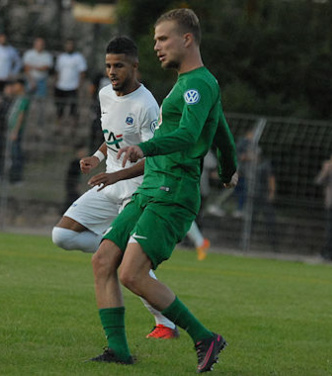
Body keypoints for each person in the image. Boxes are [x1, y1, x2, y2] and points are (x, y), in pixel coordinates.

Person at [89, 10, 237, 373]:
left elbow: (188, 135)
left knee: (131, 273)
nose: (156, 47)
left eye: (163, 39)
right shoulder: (190, 83)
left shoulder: (196, 85)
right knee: (103, 260)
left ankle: (204, 336)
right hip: (152, 187)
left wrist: (146, 147)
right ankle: (119, 351)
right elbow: (221, 132)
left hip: (173, 190)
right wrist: (229, 168)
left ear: (187, 39)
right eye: (155, 40)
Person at [53, 36, 181, 340]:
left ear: (134, 66)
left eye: (119, 66)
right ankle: (120, 250)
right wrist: (97, 158)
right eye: (109, 65)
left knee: (129, 270)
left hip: (136, 191)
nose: (112, 71)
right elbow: (112, 135)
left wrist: (116, 176)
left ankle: (167, 323)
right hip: (109, 183)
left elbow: (156, 156)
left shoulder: (148, 106)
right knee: (62, 234)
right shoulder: (104, 95)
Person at [54, 39, 87, 135]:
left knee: (73, 110)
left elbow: (82, 72)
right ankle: (58, 128)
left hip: (73, 87)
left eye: (71, 45)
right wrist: (55, 83)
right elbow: (57, 71)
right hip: (61, 86)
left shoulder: (78, 57)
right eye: (67, 45)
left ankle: (73, 130)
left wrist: (79, 86)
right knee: (59, 109)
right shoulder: (61, 57)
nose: (69, 47)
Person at [23, 37, 53, 133]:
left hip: (42, 81)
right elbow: (27, 68)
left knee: (41, 104)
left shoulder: (47, 56)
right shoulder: (29, 54)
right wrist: (31, 81)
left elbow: (46, 67)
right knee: (26, 102)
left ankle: (39, 125)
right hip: (30, 79)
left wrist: (34, 67)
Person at [5, 78, 30, 184]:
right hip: (12, 130)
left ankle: (16, 178)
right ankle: (12, 177)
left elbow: (20, 115)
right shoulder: (18, 98)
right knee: (12, 153)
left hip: (15, 131)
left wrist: (15, 131)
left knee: (16, 154)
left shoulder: (24, 99)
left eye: (16, 85)